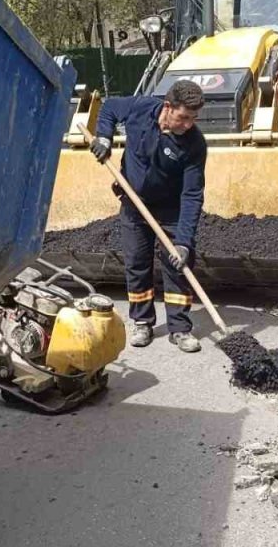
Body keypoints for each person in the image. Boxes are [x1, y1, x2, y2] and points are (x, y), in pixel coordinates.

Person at [91, 80, 208, 352]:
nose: (188, 124)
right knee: (136, 263)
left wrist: (183, 241)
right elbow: (109, 108)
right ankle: (142, 322)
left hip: (171, 210)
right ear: (167, 107)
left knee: (178, 265)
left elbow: (192, 194)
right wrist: (104, 137)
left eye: (193, 119)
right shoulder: (142, 108)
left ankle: (179, 328)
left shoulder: (194, 144)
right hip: (133, 203)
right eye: (184, 117)